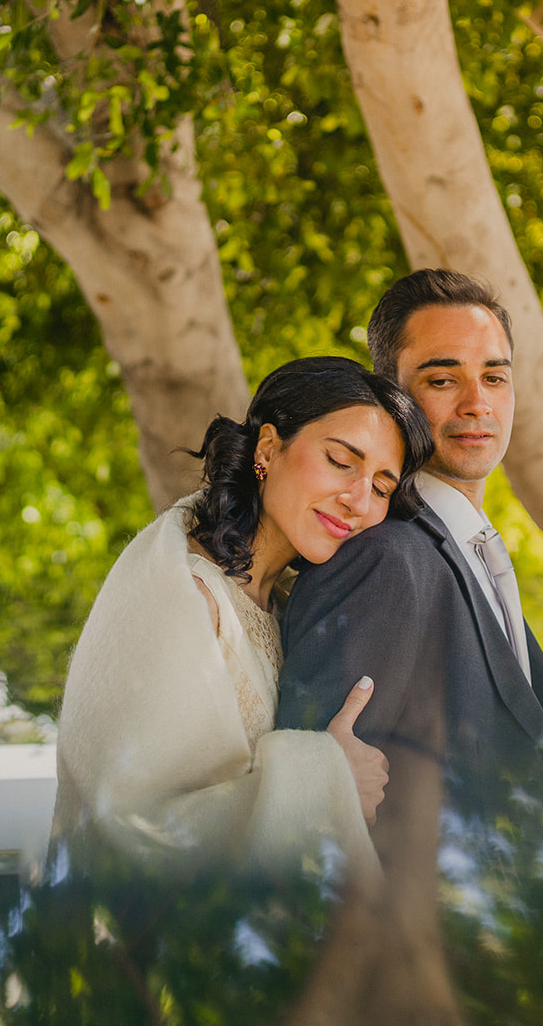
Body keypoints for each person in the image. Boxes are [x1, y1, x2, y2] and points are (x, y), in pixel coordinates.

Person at [53, 356, 436, 878]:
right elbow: (130, 825)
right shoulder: (183, 593)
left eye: (382, 488)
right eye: (342, 461)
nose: (357, 500)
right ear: (268, 448)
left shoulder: (279, 603)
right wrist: (329, 779)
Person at [276, 270, 543, 867]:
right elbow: (320, 822)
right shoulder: (383, 560)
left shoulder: (472, 554)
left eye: (495, 377)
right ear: (391, 395)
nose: (476, 403)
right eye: (443, 378)